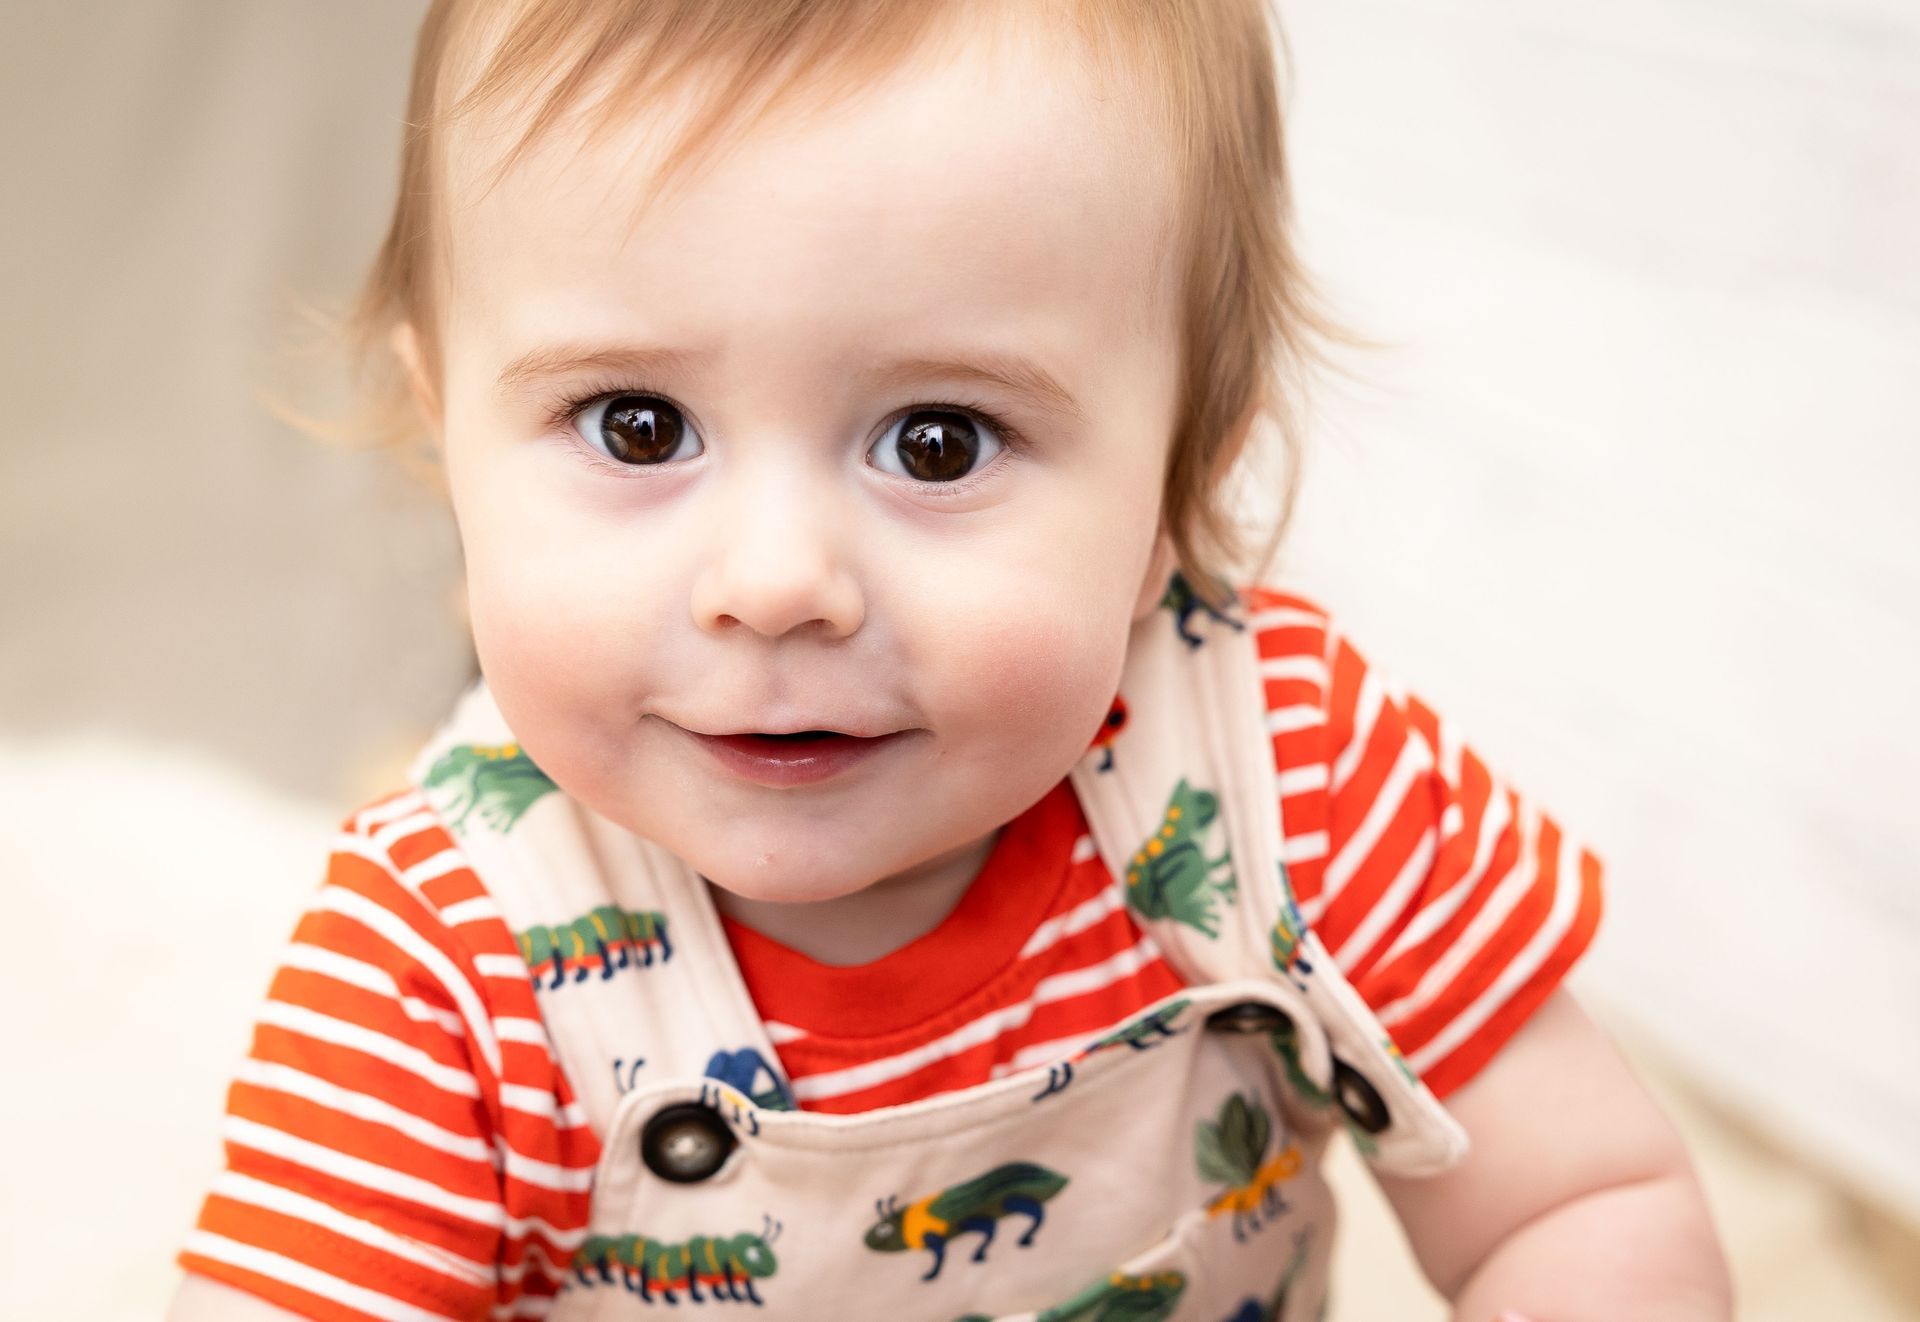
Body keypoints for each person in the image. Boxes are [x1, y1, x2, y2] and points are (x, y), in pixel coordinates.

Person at [168, 2, 1733, 1319]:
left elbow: (1575, 1198)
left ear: (1176, 496)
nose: (777, 583)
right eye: (638, 424)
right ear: (447, 435)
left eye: (939, 439)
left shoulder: (1284, 773)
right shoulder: (438, 960)